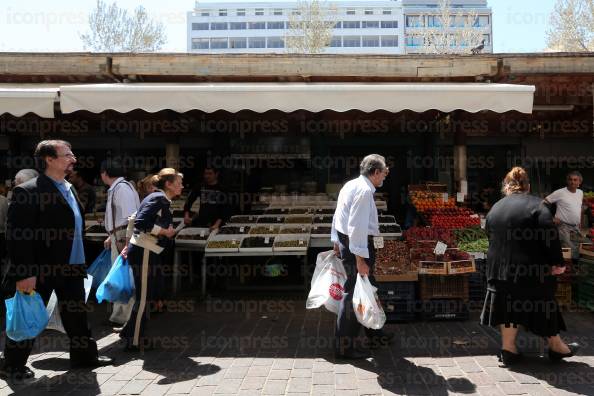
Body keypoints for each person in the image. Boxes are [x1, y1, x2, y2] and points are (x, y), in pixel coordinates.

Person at [2, 140, 113, 380]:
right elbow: (17, 237)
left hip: (72, 266)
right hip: (40, 269)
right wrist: (24, 272)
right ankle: (12, 365)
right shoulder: (28, 191)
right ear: (49, 160)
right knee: (28, 314)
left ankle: (85, 357)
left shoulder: (69, 188)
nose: (73, 158)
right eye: (67, 154)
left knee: (77, 314)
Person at [480, 167, 579, 367]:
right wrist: (557, 263)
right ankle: (556, 346)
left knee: (508, 306)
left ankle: (508, 349)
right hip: (531, 271)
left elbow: (489, 232)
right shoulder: (538, 205)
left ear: (506, 187)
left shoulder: (496, 207)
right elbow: (549, 235)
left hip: (499, 270)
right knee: (543, 304)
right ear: (528, 187)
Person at [330, 154, 393, 359]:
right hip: (358, 246)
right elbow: (356, 228)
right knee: (352, 292)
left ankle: (375, 334)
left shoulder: (351, 184)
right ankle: (344, 346)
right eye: (384, 172)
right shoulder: (365, 191)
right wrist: (360, 260)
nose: (385, 175)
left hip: (349, 242)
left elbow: (339, 215)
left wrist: (336, 240)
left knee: (368, 287)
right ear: (375, 172)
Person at [120, 168, 183, 351]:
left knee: (148, 295)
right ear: (168, 184)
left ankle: (129, 332)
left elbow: (135, 220)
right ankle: (134, 341)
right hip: (145, 249)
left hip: (145, 249)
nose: (182, 186)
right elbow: (140, 222)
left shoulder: (156, 197)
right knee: (144, 297)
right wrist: (164, 231)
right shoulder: (158, 198)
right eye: (178, 183)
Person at [100, 159, 141, 328]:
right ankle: (120, 316)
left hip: (124, 236)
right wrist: (112, 235)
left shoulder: (122, 188)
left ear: (104, 173)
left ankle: (127, 318)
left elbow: (130, 217)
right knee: (120, 277)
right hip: (119, 235)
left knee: (124, 277)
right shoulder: (118, 187)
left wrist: (124, 241)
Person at [545, 171, 586, 260]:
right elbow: (543, 203)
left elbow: (579, 208)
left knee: (576, 248)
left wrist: (579, 223)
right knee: (567, 250)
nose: (572, 182)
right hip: (563, 226)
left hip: (575, 227)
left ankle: (574, 269)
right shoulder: (560, 192)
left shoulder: (580, 192)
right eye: (570, 179)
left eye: (575, 180)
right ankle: (565, 269)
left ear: (579, 182)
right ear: (567, 181)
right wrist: (551, 218)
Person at [183, 167, 228, 231]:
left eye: (210, 174)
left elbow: (224, 209)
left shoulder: (222, 189)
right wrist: (186, 216)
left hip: (217, 223)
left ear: (216, 174)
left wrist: (217, 224)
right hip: (202, 221)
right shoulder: (199, 186)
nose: (207, 176)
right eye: (205, 173)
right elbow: (189, 201)